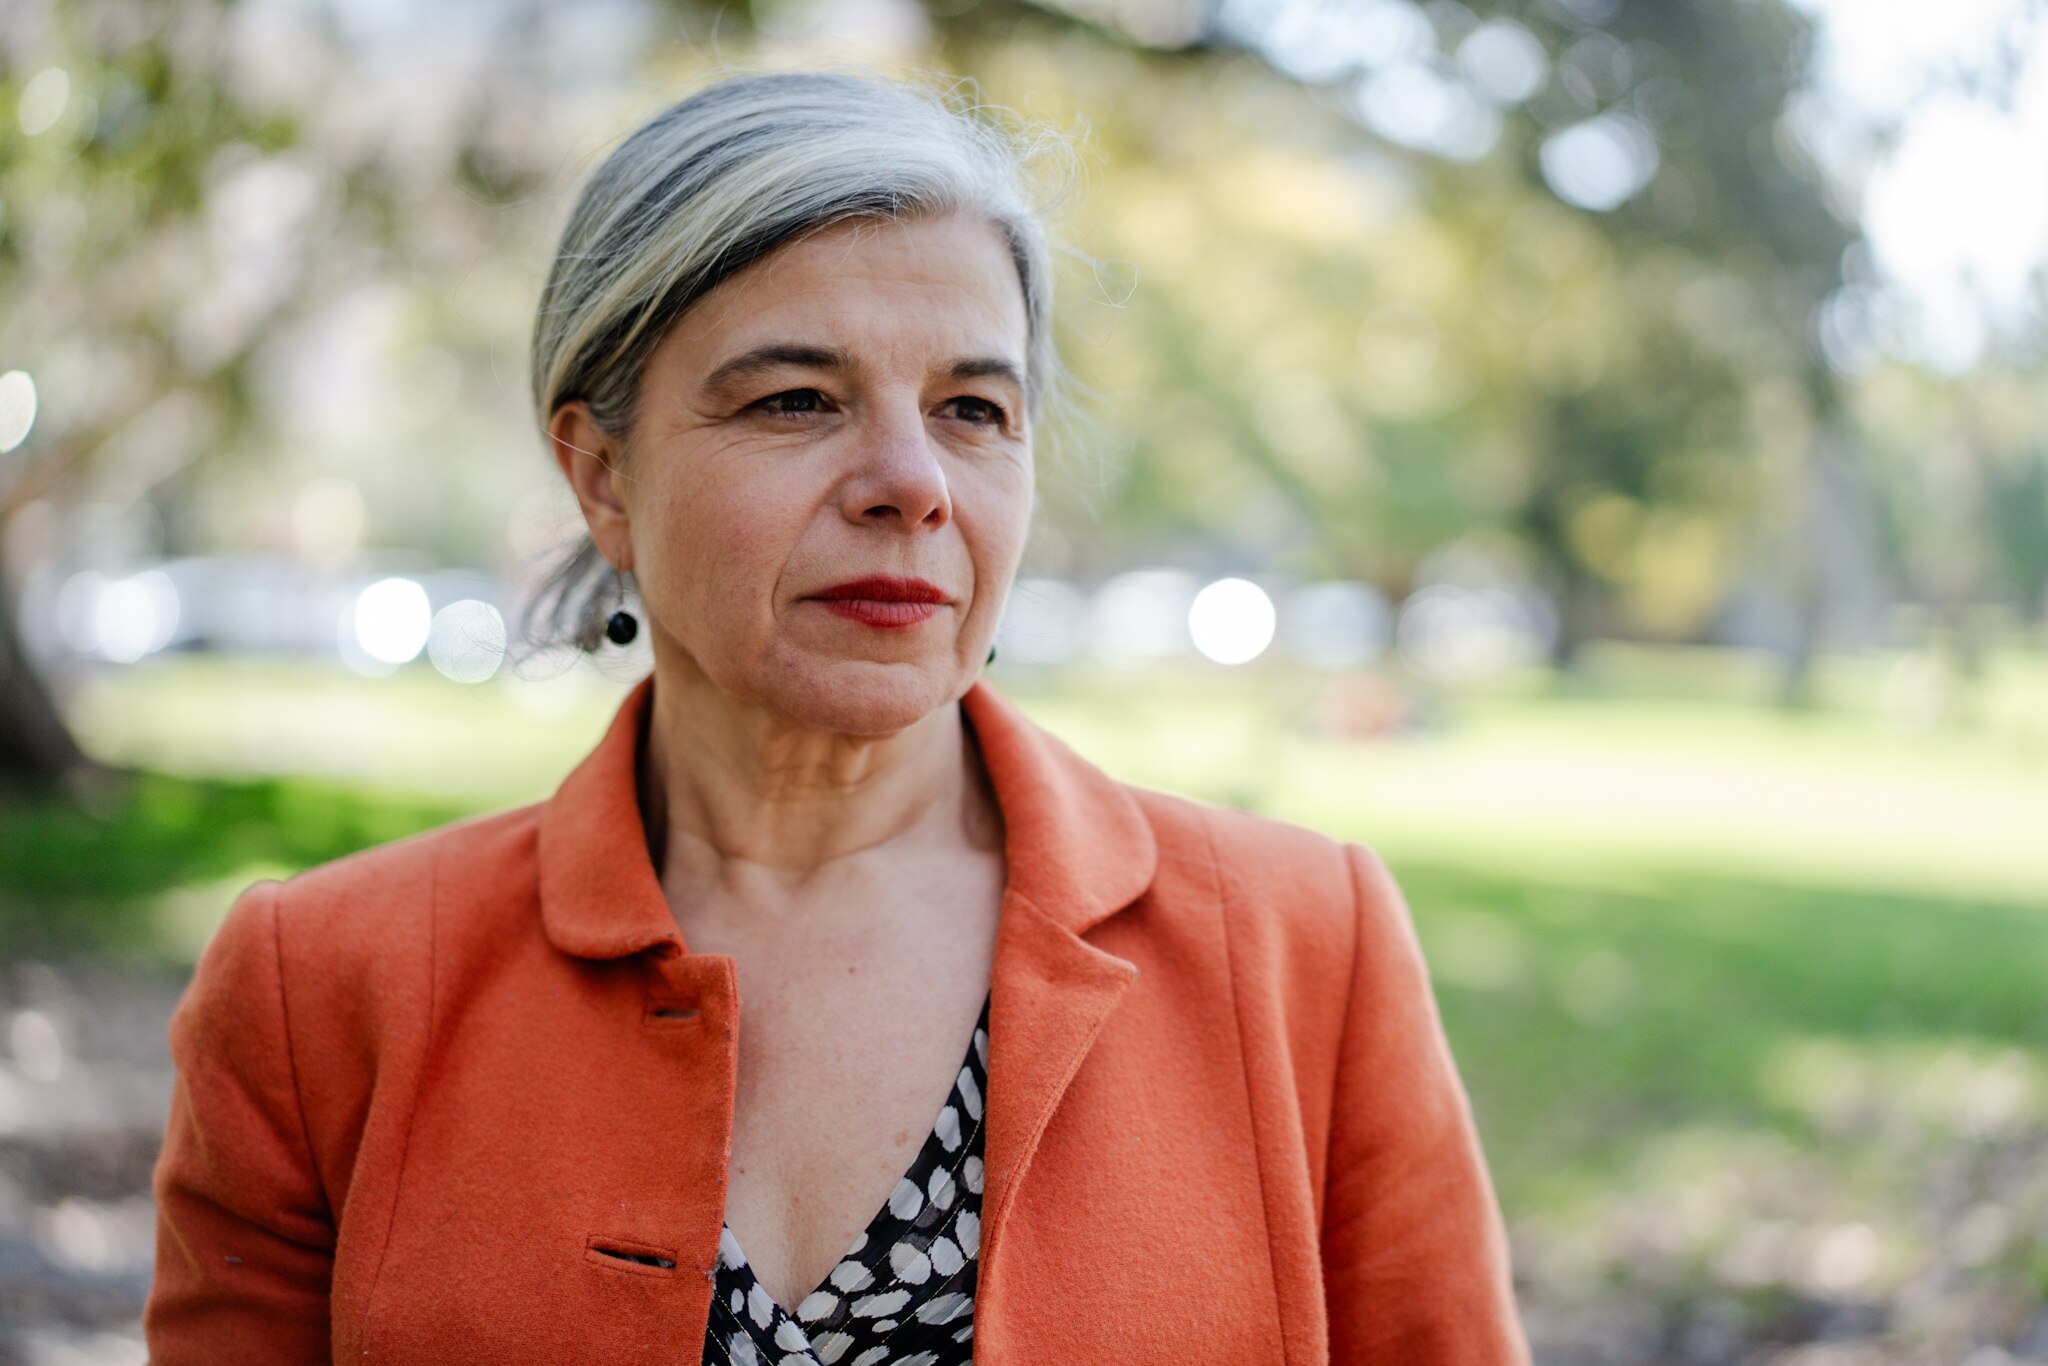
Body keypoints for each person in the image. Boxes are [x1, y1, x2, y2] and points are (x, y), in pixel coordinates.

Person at [144, 69, 1528, 1365]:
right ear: (601, 475)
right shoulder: (314, 994)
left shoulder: (1306, 952)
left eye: (974, 408)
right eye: (799, 398)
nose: (911, 482)